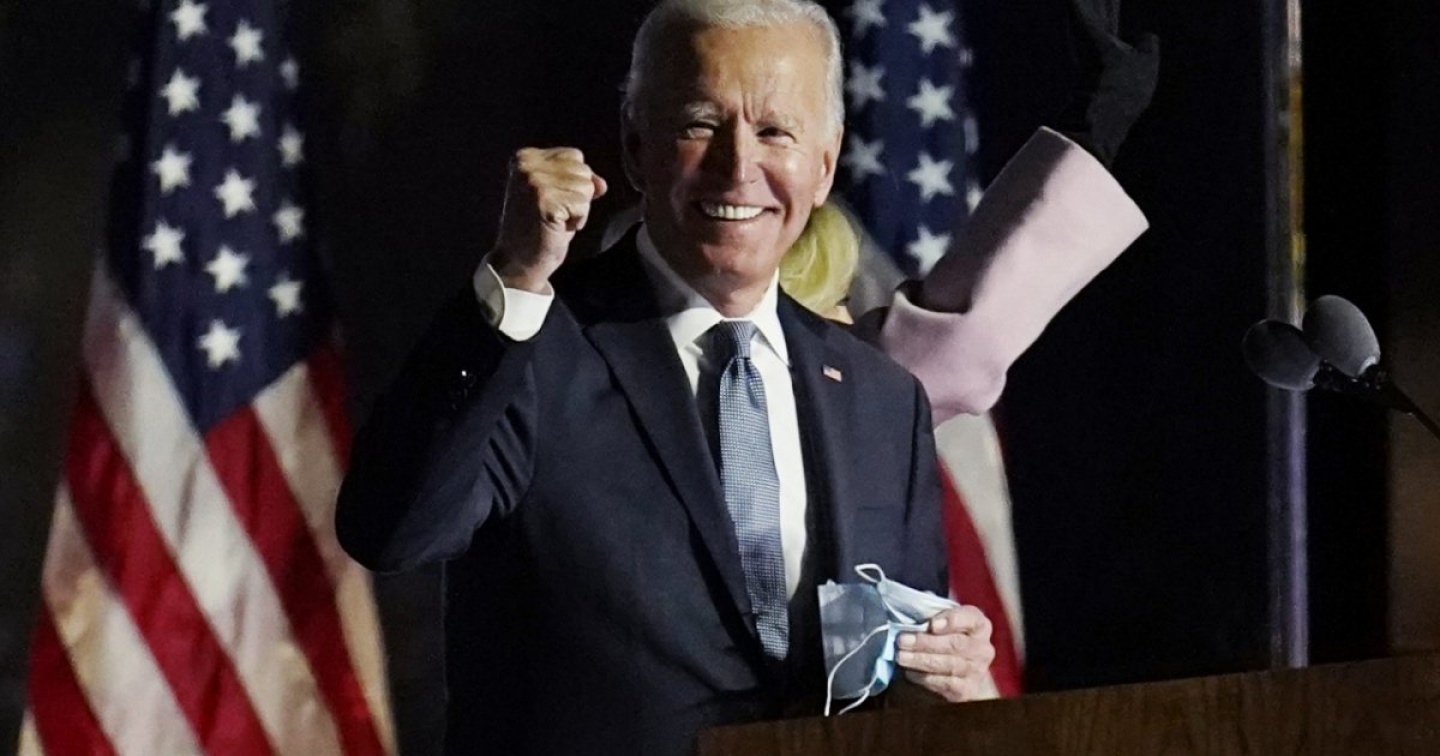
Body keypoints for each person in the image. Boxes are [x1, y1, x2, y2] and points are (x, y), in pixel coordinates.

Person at [336, 2, 995, 754]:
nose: (737, 167)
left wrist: (937, 673)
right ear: (635, 145)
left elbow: (890, 677)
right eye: (700, 124)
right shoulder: (531, 350)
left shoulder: (881, 399)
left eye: (775, 131)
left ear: (824, 165)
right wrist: (516, 276)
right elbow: (391, 532)